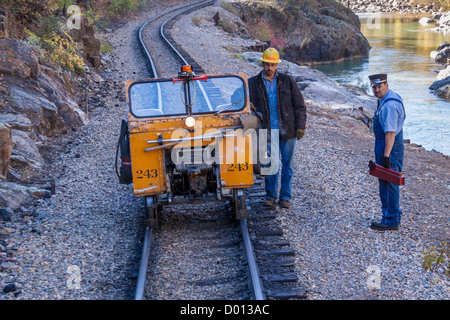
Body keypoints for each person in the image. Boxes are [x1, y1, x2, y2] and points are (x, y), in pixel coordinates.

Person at [248, 48, 307, 209]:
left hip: (288, 130)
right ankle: (270, 196)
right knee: (270, 165)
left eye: (272, 65)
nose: (269, 68)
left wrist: (300, 127)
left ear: (276, 65)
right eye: (267, 64)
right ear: (262, 63)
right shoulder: (253, 83)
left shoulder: (288, 81)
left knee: (288, 165)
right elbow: (241, 102)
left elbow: (300, 106)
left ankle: (285, 197)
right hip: (266, 131)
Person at [368, 73, 406, 231]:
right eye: (374, 87)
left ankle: (390, 220)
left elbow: (390, 133)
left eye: (379, 86)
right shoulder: (391, 97)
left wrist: (386, 156)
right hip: (391, 145)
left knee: (389, 182)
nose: (376, 90)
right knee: (389, 182)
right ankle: (392, 215)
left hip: (389, 147)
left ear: (386, 85)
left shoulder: (389, 106)